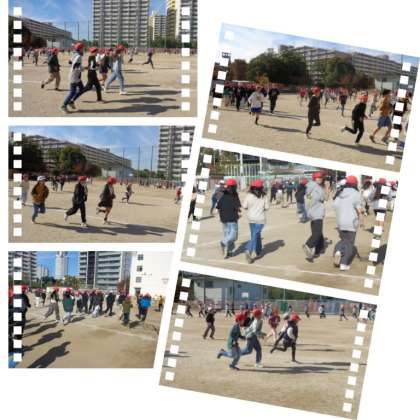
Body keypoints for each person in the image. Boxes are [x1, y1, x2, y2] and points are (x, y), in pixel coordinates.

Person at [333, 175, 364, 271]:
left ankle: (338, 250)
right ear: (355, 184)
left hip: (340, 221)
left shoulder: (340, 192)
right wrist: (361, 221)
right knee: (350, 243)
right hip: (352, 221)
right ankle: (343, 264)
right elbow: (359, 209)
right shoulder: (356, 194)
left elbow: (335, 206)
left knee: (344, 240)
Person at [242, 179, 269, 263]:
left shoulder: (249, 195)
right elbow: (267, 208)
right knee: (255, 235)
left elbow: (244, 206)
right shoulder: (264, 196)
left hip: (251, 219)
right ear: (261, 187)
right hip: (260, 219)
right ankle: (248, 250)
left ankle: (258, 250)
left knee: (255, 235)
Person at [302, 172, 327, 261]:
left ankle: (319, 249)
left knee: (318, 232)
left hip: (311, 212)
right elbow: (325, 198)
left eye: (321, 177)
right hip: (317, 212)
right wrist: (327, 188)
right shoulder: (317, 187)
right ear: (314, 178)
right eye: (318, 178)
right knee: (317, 232)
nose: (320, 179)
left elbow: (308, 200)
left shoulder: (309, 186)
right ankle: (308, 245)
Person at [216, 178, 241, 259]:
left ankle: (229, 252)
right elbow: (237, 206)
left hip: (224, 219)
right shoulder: (234, 195)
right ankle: (223, 243)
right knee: (233, 236)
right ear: (234, 186)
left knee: (227, 235)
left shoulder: (222, 194)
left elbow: (218, 206)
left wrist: (222, 215)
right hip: (232, 218)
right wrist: (238, 211)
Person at [60, 42, 84, 114]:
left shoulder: (75, 54)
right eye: (82, 48)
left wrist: (79, 67)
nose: (83, 49)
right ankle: (63, 106)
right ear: (80, 49)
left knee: (81, 89)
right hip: (74, 76)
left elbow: (70, 62)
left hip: (76, 76)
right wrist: (83, 68)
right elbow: (76, 67)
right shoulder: (78, 56)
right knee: (72, 92)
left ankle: (71, 101)